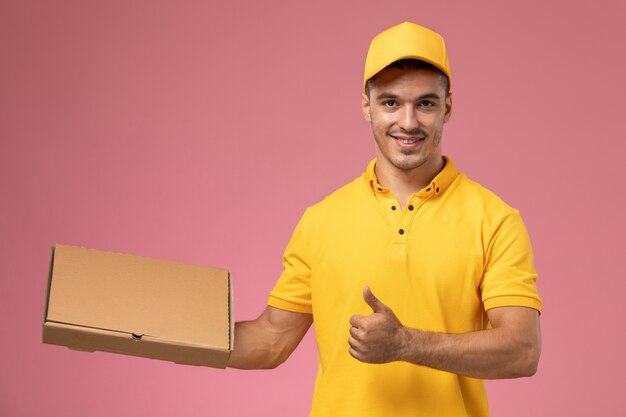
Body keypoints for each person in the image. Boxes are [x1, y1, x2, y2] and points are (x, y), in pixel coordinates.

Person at [227, 22, 542, 417]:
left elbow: (523, 350)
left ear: (447, 107)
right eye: (390, 103)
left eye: (425, 103)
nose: (407, 122)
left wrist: (405, 345)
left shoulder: (495, 220)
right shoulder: (321, 221)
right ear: (366, 105)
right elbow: (272, 338)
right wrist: (166, 335)